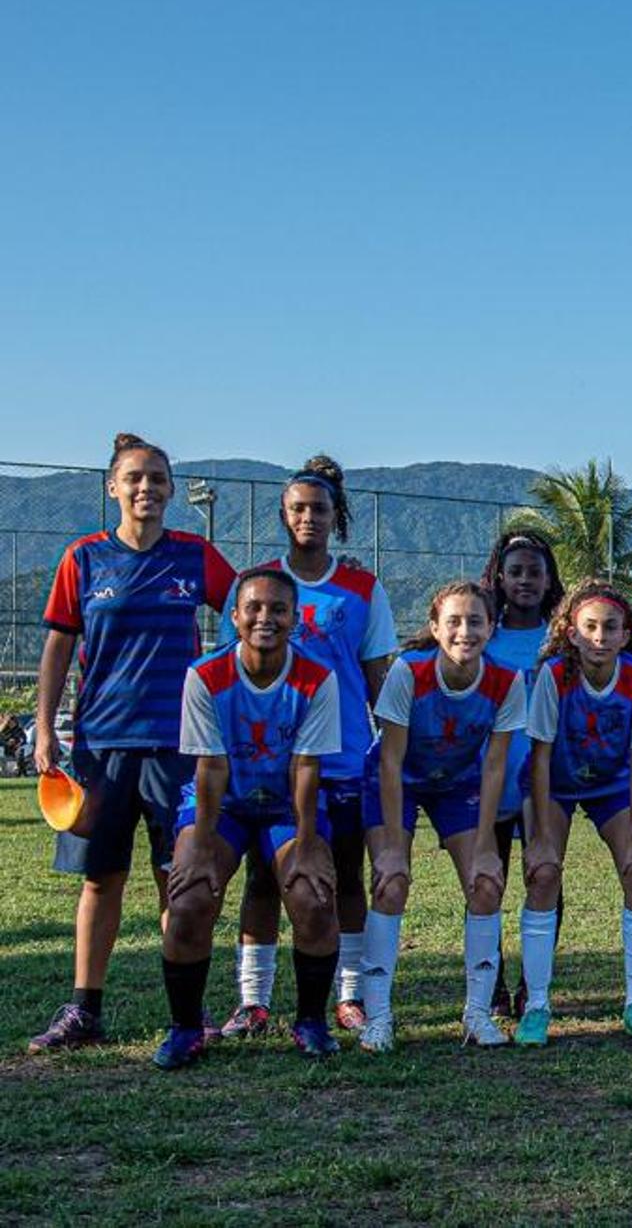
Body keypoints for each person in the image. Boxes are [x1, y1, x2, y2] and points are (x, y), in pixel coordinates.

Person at [30, 433, 237, 1053]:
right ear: (112, 487)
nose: (146, 488)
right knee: (100, 879)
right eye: (135, 478)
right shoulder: (84, 559)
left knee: (177, 876)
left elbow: (250, 613)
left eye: (157, 479)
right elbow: (59, 646)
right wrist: (46, 726)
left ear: (172, 492)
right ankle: (84, 1010)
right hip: (101, 747)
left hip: (179, 747)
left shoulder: (194, 556)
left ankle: (188, 1013)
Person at [215, 456, 396, 1039]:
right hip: (264, 758)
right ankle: (253, 1000)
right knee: (263, 878)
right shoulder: (258, 585)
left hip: (340, 755)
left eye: (318, 508)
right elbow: (226, 671)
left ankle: (348, 995)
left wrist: (386, 748)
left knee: (341, 876)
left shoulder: (362, 588)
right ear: (283, 515)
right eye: (297, 508)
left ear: (335, 515)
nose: (307, 517)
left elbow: (376, 676)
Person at [153, 569, 343, 1068]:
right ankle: (186, 1028)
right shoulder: (206, 675)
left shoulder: (317, 677)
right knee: (190, 897)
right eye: (254, 608)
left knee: (313, 895)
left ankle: (310, 1021)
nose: (266, 618)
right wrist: (197, 844)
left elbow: (306, 766)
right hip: (225, 803)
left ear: (293, 620)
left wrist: (305, 844)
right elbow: (211, 767)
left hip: (285, 804)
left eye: (278, 609)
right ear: (234, 616)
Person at [359, 581, 527, 1051]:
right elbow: (390, 761)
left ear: (492, 627)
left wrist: (488, 847)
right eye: (453, 621)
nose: (465, 631)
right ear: (434, 627)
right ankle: (378, 1017)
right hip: (398, 780)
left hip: (457, 784)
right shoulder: (408, 673)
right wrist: (392, 846)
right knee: (391, 881)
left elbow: (495, 766)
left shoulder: (507, 681)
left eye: (476, 621)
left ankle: (477, 1014)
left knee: (486, 882)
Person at [516, 583, 632, 1045]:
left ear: (626, 635)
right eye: (590, 627)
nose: (600, 637)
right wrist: (541, 832)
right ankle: (537, 1005)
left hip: (611, 785)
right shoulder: (554, 675)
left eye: (611, 628)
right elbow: (539, 755)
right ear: (572, 634)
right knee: (542, 872)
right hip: (554, 784)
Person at [481, 529, 565, 1019]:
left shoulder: (561, 636)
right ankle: (489, 983)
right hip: (493, 774)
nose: (525, 581)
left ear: (549, 578)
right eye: (516, 572)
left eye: (535, 572)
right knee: (490, 879)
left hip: (546, 779)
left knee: (545, 875)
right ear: (499, 577)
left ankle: (536, 984)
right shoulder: (484, 631)